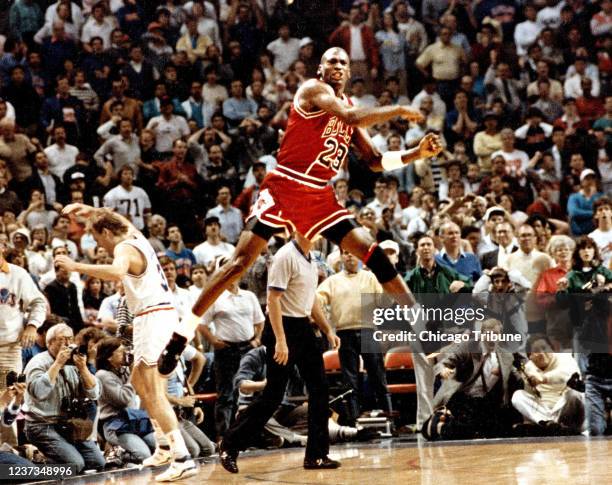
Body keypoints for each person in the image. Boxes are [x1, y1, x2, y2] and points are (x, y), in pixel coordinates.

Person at [159, 47, 442, 374]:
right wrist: (397, 109)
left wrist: (415, 153)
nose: (337, 65)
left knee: (375, 255)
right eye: (331, 61)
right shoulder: (313, 91)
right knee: (238, 264)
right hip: (287, 183)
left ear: (349, 73)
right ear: (321, 69)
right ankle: (181, 334)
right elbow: (349, 117)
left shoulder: (349, 107)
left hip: (319, 194)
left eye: (343, 63)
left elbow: (375, 161)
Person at [54, 204, 196, 481]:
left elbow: (117, 272)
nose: (99, 245)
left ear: (107, 232)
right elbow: (117, 218)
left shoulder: (123, 249)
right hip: (159, 314)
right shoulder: (136, 236)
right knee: (139, 381)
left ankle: (182, 457)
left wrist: (75, 266)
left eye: (97, 239)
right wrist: (88, 209)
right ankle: (164, 445)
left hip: (152, 317)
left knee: (152, 389)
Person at [219, 233, 341, 473]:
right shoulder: (285, 256)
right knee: (272, 396)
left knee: (320, 390)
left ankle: (316, 456)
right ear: (299, 229)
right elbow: (273, 301)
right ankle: (229, 444)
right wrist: (281, 341)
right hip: (281, 328)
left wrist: (327, 329)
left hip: (303, 328)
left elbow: (311, 299)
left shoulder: (311, 258)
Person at [316, 250, 390, 426]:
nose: (350, 256)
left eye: (353, 253)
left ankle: (389, 419)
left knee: (378, 376)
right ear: (341, 257)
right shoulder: (332, 281)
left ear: (359, 256)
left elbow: (385, 302)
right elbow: (316, 300)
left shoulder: (371, 277)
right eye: (346, 253)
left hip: (368, 330)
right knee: (350, 380)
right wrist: (324, 323)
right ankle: (353, 422)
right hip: (344, 332)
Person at [23, 323, 105, 473]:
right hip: (41, 425)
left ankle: (53, 457)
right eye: (63, 339)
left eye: (71, 338)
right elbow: (39, 393)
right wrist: (58, 363)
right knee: (75, 465)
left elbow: (94, 394)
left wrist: (83, 368)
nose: (69, 343)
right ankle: (36, 463)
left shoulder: (75, 362)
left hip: (69, 425)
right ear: (50, 343)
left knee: (97, 462)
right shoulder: (37, 363)